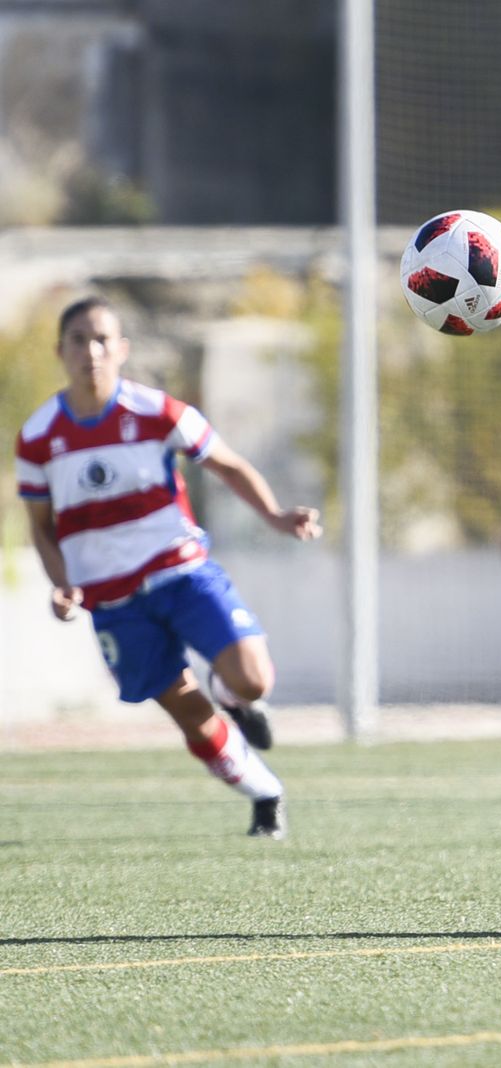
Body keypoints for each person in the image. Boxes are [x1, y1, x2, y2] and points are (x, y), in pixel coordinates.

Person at [14, 296, 320, 839]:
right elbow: (42, 526)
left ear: (123, 349)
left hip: (182, 574)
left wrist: (274, 515)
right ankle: (265, 791)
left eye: (103, 338)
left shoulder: (158, 412)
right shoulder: (38, 437)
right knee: (188, 715)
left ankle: (232, 696)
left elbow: (225, 463)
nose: (92, 350)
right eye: (80, 339)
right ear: (60, 350)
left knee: (253, 681)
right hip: (112, 602)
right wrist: (63, 584)